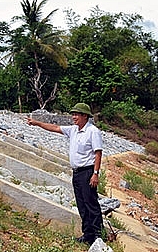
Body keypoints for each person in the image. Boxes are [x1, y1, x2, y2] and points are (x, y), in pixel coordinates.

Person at [27, 103, 103, 244]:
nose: (74, 117)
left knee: (91, 203)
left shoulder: (93, 131)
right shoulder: (73, 130)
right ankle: (88, 235)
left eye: (77, 114)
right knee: (81, 205)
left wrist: (95, 173)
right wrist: (37, 123)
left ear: (85, 116)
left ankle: (98, 235)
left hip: (88, 172)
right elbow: (55, 128)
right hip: (76, 173)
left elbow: (98, 153)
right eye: (73, 114)